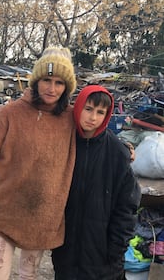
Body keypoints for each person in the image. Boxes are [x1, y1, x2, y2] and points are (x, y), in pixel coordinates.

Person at [0, 46, 77, 279]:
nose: (52, 88)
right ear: (36, 81)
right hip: (5, 210)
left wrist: (124, 148)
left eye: (59, 82)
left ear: (67, 87)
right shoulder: (10, 114)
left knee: (29, 274)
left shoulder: (71, 119)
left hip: (43, 215)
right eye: (47, 79)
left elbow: (97, 136)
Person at [51, 85, 141, 280]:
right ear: (78, 107)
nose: (93, 117)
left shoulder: (117, 153)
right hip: (65, 249)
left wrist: (116, 250)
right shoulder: (64, 145)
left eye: (101, 112)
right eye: (88, 109)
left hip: (103, 254)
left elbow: (127, 208)